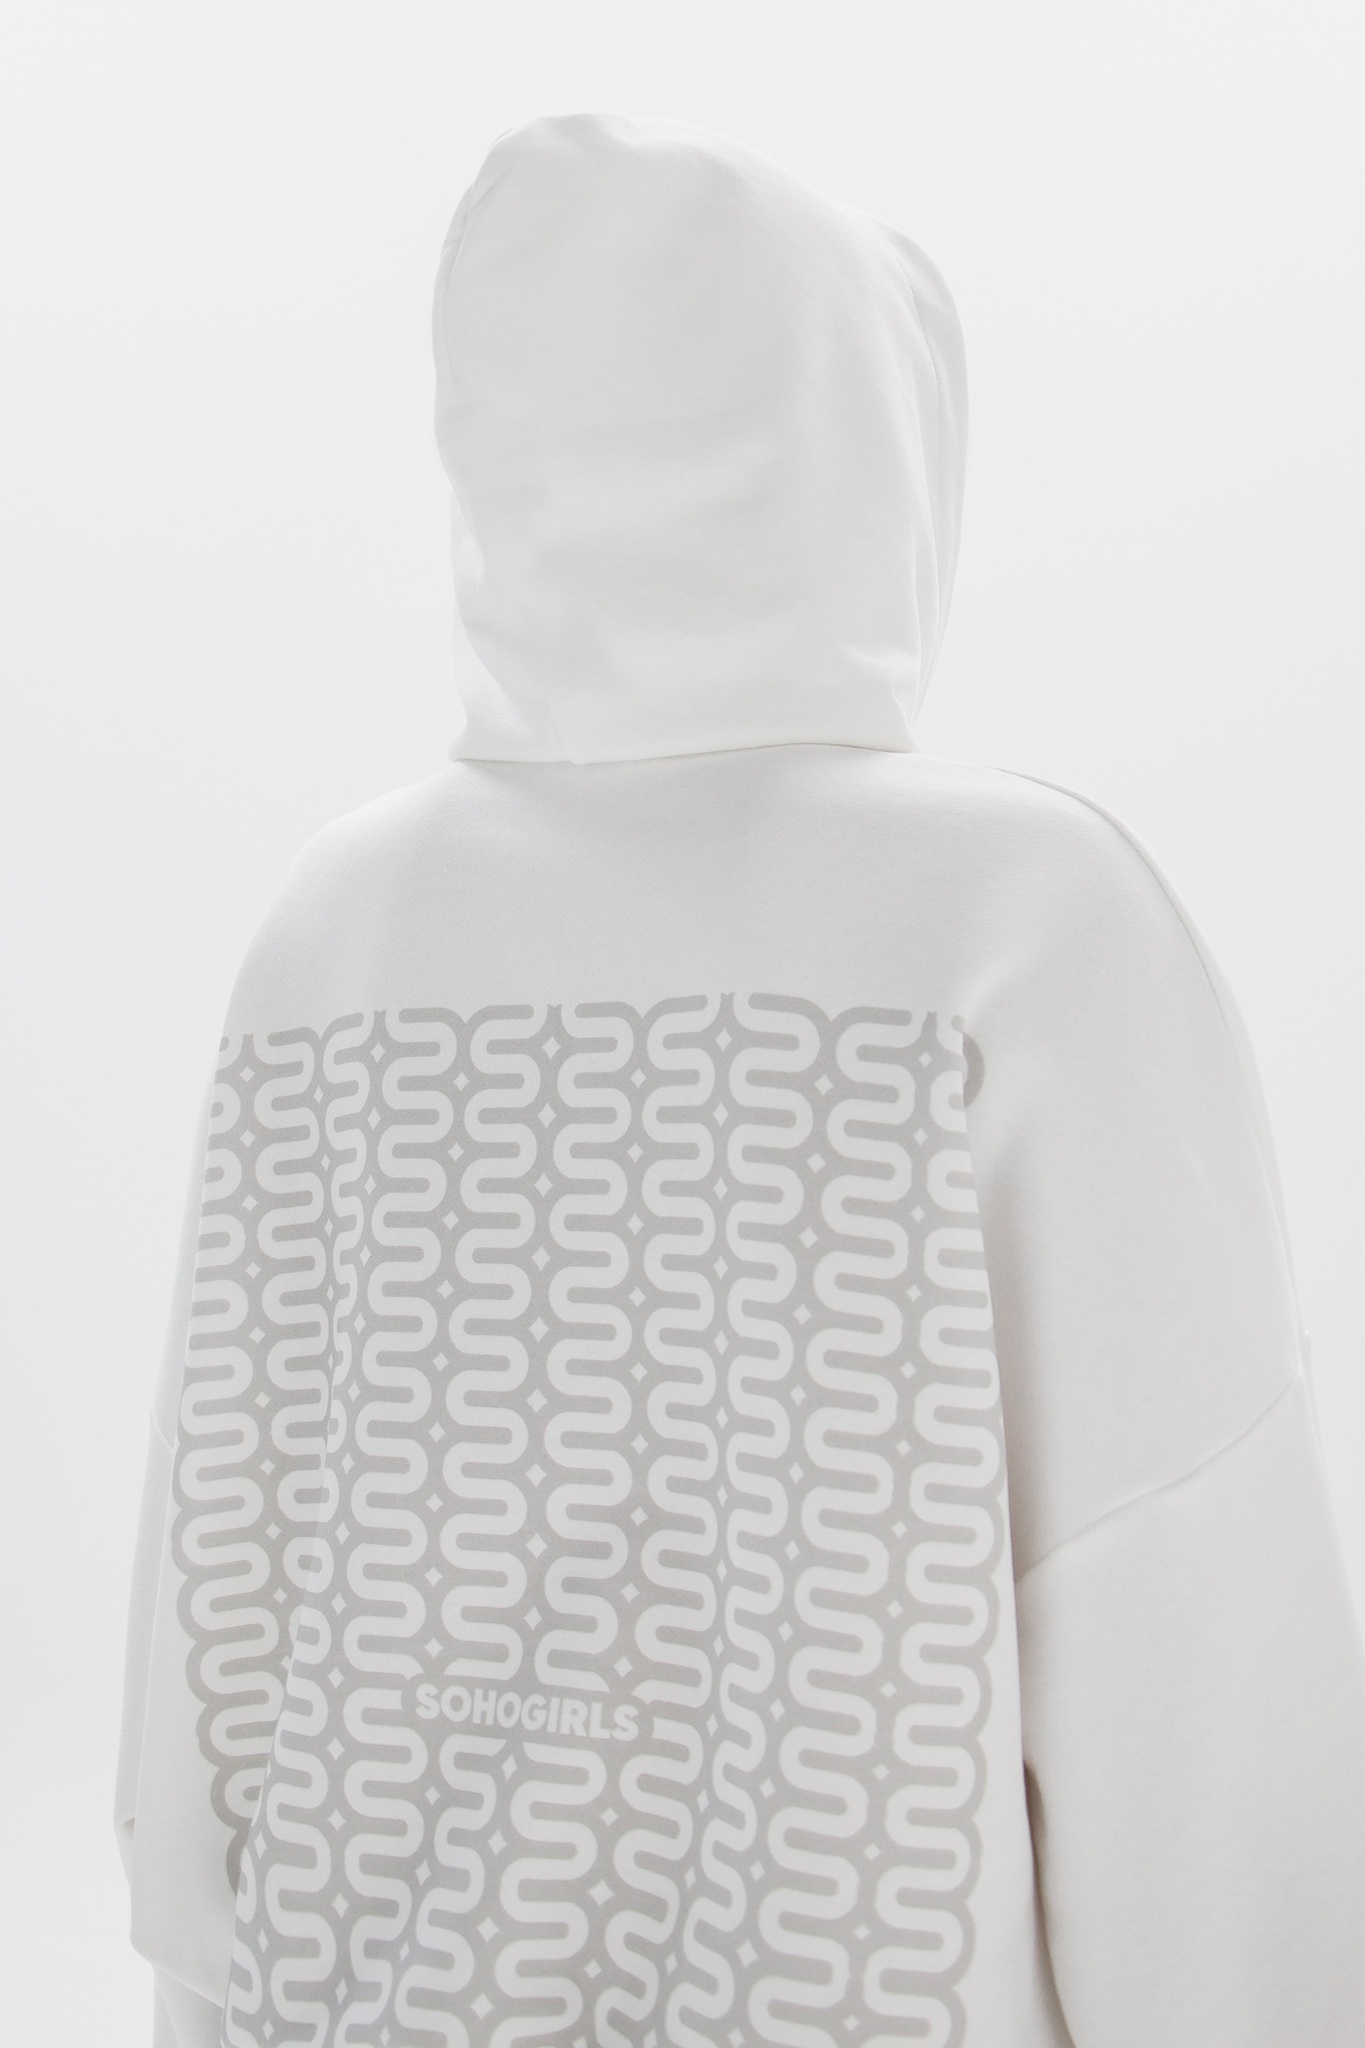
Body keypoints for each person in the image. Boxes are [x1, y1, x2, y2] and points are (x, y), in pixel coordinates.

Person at [116, 109, 1365, 2048]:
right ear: (872, 440)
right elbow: (1178, 1617)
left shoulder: (334, 930)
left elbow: (219, 1574)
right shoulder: (1018, 916)